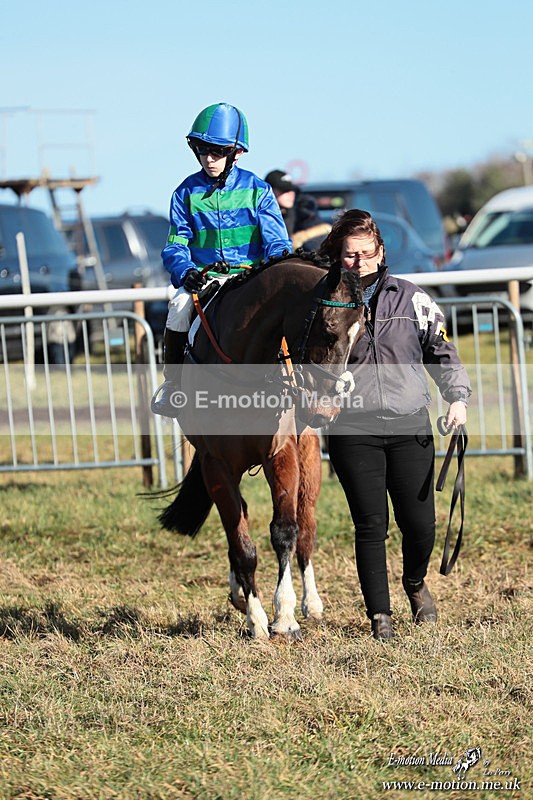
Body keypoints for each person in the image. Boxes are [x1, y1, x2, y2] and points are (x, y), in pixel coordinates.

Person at [319, 209, 472, 640]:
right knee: (371, 524)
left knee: (420, 524)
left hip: (410, 424)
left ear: (381, 252)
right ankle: (380, 617)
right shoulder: (325, 304)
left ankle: (415, 584)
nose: (359, 262)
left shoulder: (411, 298)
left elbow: (441, 351)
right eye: (350, 255)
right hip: (353, 428)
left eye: (366, 253)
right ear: (339, 256)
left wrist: (456, 399)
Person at [152, 103, 292, 417]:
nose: (209, 159)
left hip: (252, 278)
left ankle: (297, 381)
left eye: (217, 151)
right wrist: (185, 271)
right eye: (202, 150)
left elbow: (278, 243)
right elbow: (175, 245)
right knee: (177, 309)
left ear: (236, 153)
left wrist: (275, 267)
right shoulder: (184, 193)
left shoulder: (259, 190)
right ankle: (173, 385)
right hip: (205, 279)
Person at [265, 169, 331, 252]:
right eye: (284, 190)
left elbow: (323, 229)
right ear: (270, 191)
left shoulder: (302, 207)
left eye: (292, 190)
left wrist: (301, 237)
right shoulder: (260, 213)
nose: (291, 194)